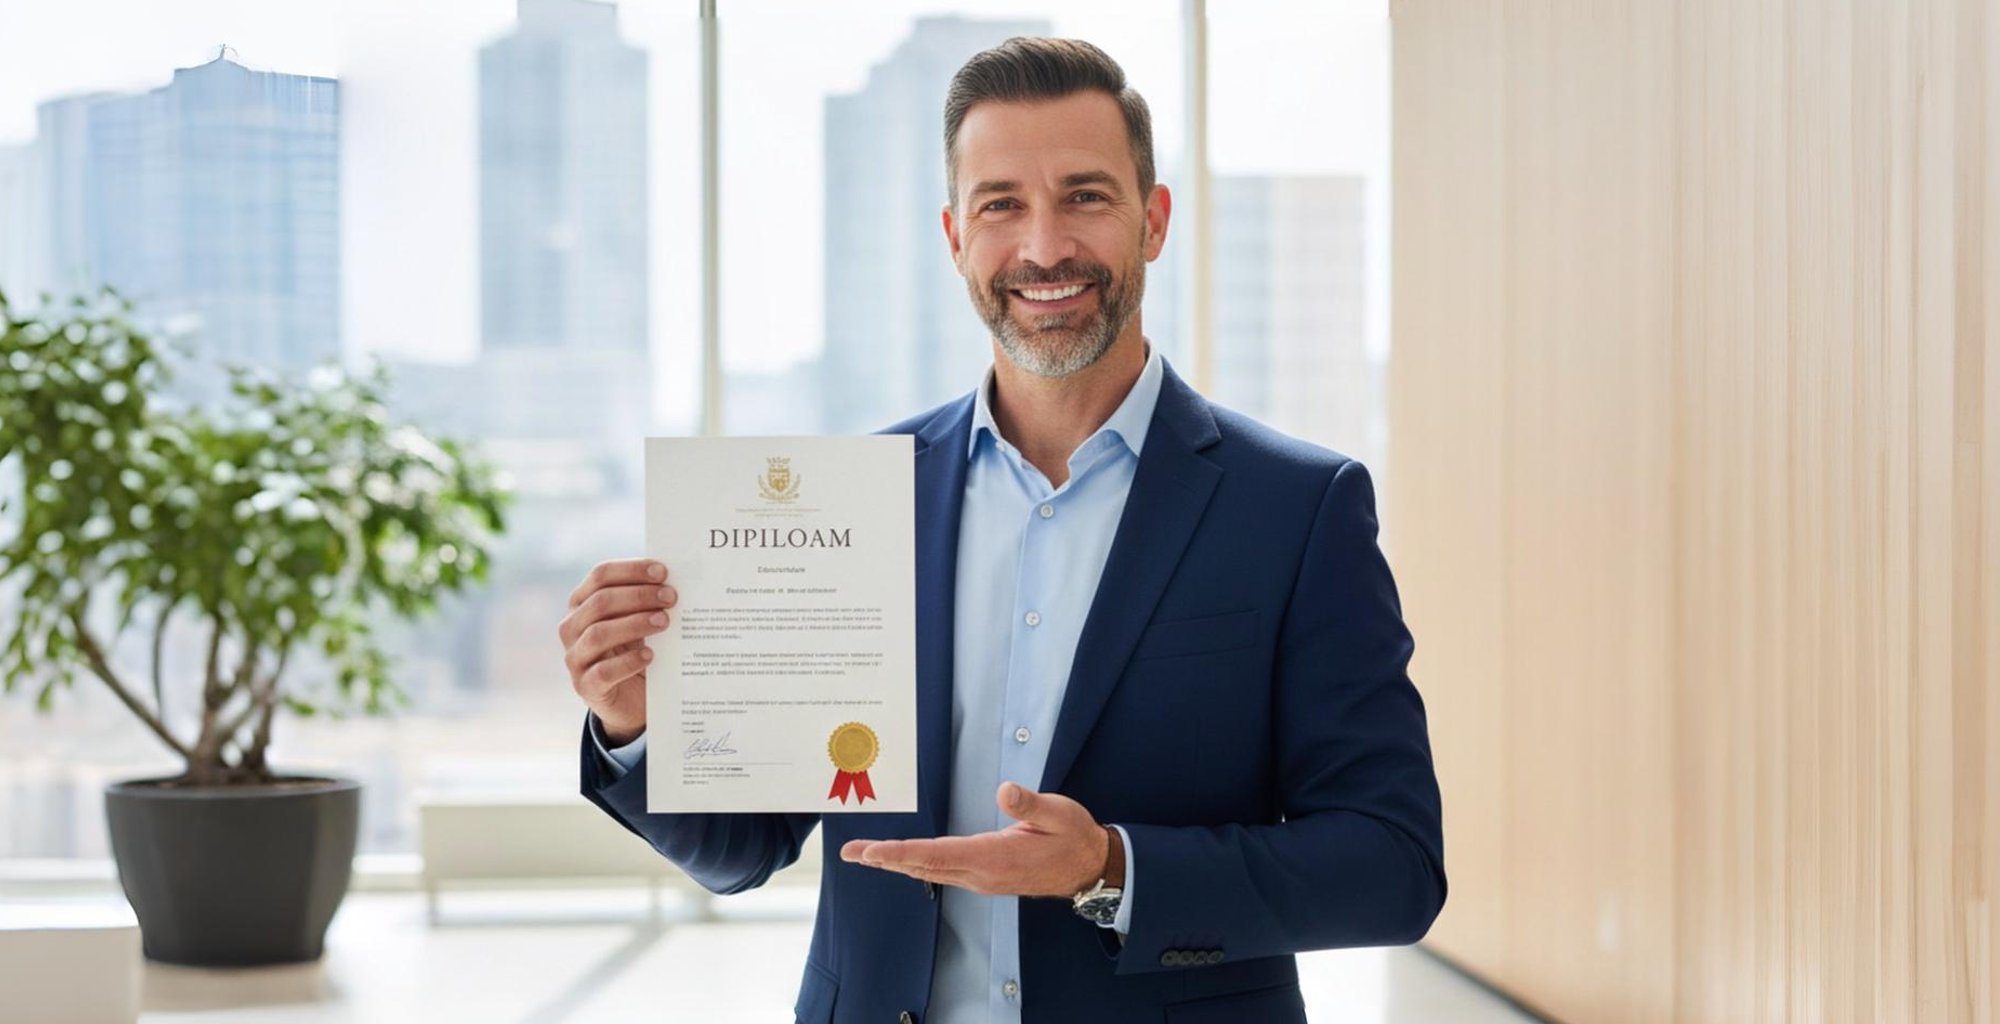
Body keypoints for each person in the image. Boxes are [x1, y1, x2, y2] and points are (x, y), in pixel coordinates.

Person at [558, 36, 1445, 1024]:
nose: (1042, 246)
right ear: (952, 235)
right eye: (1000, 206)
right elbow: (741, 848)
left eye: (1084, 196)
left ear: (1152, 221)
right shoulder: (858, 508)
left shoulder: (1295, 508)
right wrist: (640, 722)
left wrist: (1110, 868)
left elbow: (1390, 865)